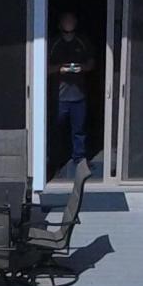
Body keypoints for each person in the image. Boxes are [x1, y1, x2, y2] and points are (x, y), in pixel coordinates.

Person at [49, 10, 94, 178]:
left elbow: (91, 63)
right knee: (56, 130)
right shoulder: (53, 43)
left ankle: (79, 161)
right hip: (59, 97)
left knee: (79, 130)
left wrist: (82, 67)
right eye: (66, 20)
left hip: (79, 96)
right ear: (60, 23)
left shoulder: (82, 42)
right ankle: (55, 161)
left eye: (71, 20)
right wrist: (59, 68)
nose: (69, 23)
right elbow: (42, 67)